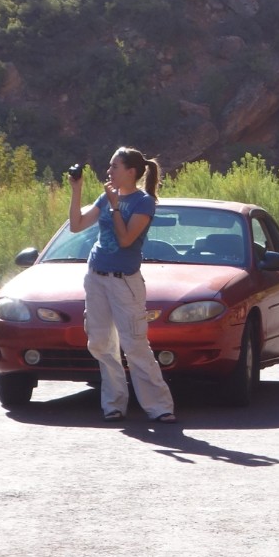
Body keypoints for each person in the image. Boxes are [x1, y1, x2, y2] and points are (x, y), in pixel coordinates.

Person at [68, 147, 177, 423]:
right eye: (109, 166)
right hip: (96, 277)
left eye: (114, 167)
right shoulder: (106, 197)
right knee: (100, 343)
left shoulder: (143, 202)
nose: (109, 171)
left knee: (134, 344)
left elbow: (126, 239)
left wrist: (115, 206)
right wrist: (76, 190)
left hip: (124, 281)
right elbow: (76, 225)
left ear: (131, 172)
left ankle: (160, 407)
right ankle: (114, 404)